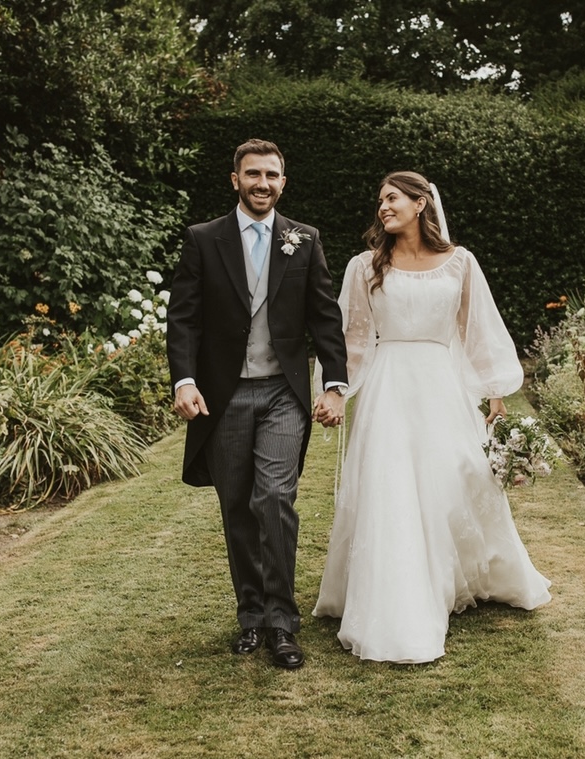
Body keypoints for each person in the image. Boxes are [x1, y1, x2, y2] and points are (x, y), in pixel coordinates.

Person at [312, 170, 552, 664]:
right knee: (391, 487)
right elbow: (351, 338)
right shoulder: (365, 266)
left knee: (452, 482)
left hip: (443, 386)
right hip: (388, 387)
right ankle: (395, 597)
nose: (383, 206)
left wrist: (495, 394)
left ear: (422, 203)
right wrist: (335, 389)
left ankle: (457, 575)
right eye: (380, 199)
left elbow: (477, 329)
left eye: (393, 197)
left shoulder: (460, 262)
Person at [167, 139, 348, 670]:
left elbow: (324, 317)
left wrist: (333, 383)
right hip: (223, 398)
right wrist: (185, 380)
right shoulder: (203, 239)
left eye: (272, 174)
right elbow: (183, 318)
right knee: (238, 506)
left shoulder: (304, 239)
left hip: (282, 394)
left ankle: (282, 621)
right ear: (235, 179)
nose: (262, 183)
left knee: (275, 497)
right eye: (253, 174)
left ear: (283, 182)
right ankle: (251, 616)